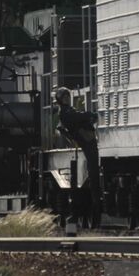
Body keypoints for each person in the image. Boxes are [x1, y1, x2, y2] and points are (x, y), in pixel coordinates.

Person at [55, 86, 100, 220]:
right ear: (60, 100)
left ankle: (95, 205)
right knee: (93, 172)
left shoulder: (68, 110)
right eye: (65, 97)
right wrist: (89, 115)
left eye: (68, 96)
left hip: (86, 140)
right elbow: (76, 118)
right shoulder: (65, 112)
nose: (68, 98)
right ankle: (95, 205)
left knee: (94, 172)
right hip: (85, 142)